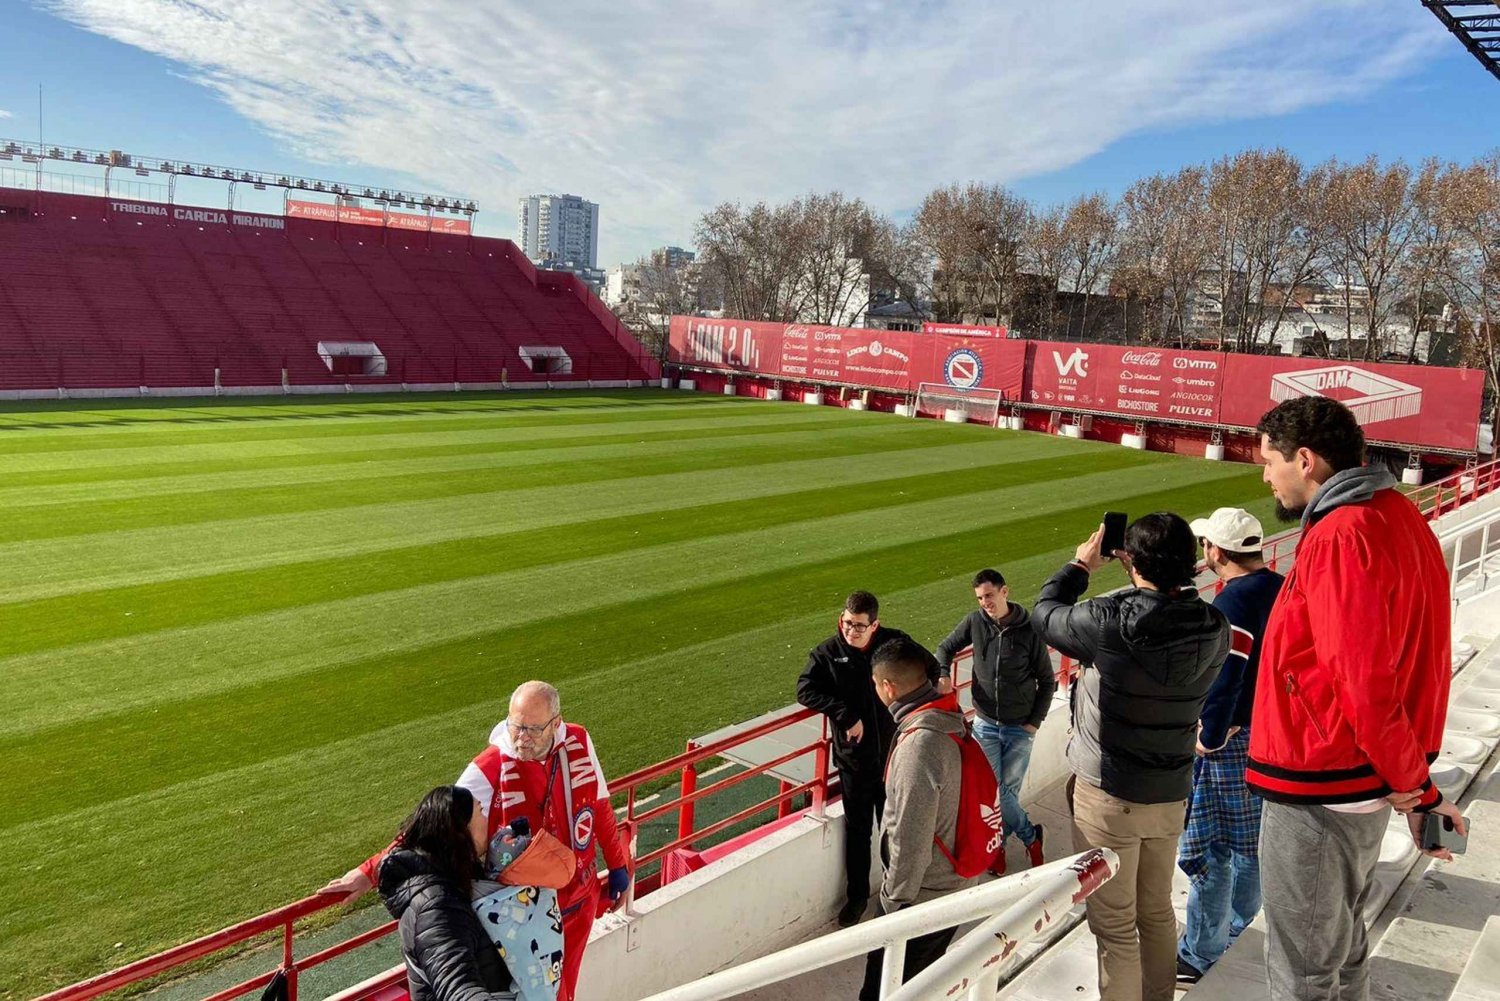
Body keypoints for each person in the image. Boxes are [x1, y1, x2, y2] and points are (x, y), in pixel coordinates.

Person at [1248, 397, 1466, 1001]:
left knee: (1303, 967)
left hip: (1326, 777)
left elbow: (1363, 678)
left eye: (1270, 462)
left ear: (1307, 460)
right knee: (1340, 946)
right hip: (1361, 774)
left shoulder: (1343, 533)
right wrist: (1411, 775)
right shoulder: (1396, 512)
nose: (1265, 475)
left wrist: (1415, 785)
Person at [322, 681, 629, 1001]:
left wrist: (618, 863)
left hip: (580, 898)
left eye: (533, 729)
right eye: (516, 726)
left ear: (556, 724)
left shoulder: (579, 739)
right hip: (525, 916)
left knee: (565, 994)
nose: (521, 737)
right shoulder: (490, 765)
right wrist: (367, 872)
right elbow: (434, 822)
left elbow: (599, 804)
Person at [1034, 514, 1229, 1001]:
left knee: (1116, 927)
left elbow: (1044, 613)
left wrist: (1080, 565)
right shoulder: (1215, 625)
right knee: (1157, 911)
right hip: (1169, 795)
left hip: (1109, 794)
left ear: (1128, 558)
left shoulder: (1108, 622)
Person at [1174, 509, 1284, 985]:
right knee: (1252, 844)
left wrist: (1212, 735)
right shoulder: (1284, 587)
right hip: (1274, 735)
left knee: (1213, 849)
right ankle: (1242, 925)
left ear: (1215, 551)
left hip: (1232, 744)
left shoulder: (1232, 604)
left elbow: (1226, 678)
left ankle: (1200, 951)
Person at [796, 591, 942, 927]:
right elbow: (805, 689)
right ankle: (857, 898)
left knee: (898, 831)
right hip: (855, 762)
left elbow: (931, 669)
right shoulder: (828, 653)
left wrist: (913, 712)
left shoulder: (894, 644)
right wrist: (844, 714)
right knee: (858, 831)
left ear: (874, 625)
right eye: (847, 623)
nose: (851, 631)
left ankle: (899, 895)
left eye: (860, 626)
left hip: (897, 758)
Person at [858, 636, 977, 1001]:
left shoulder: (918, 746)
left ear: (888, 687)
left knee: (884, 992)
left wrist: (893, 905)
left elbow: (911, 839)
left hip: (922, 899)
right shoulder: (949, 717)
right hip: (953, 884)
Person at [935, 568, 1054, 876]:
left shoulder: (1030, 630)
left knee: (1005, 794)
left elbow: (1047, 679)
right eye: (979, 598)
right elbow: (945, 648)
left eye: (989, 595)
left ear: (1005, 591)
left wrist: (1034, 723)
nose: (985, 602)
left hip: (1020, 728)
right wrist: (943, 674)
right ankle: (1030, 836)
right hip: (986, 724)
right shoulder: (975, 622)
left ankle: (1001, 845)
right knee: (997, 793)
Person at [378, 785, 518, 1001]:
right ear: (462, 831)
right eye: (480, 811)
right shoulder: (436, 906)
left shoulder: (455, 880)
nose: (487, 819)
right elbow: (458, 991)